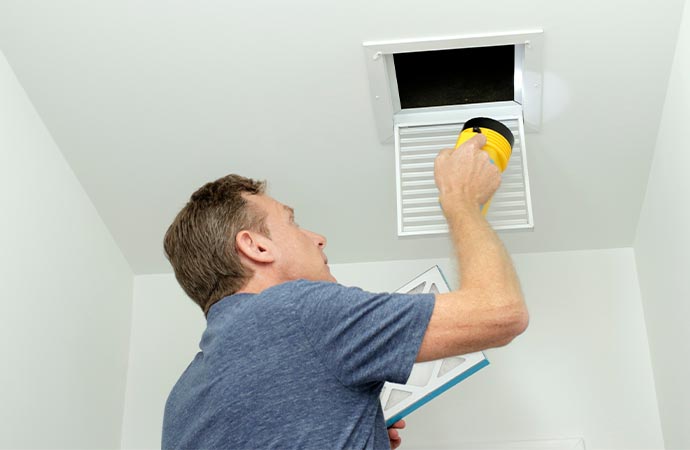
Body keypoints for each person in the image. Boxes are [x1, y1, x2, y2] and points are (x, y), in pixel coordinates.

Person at [161, 134, 529, 449]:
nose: (318, 238)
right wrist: (461, 199)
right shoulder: (295, 311)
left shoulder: (180, 401)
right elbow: (501, 313)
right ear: (256, 247)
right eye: (294, 223)